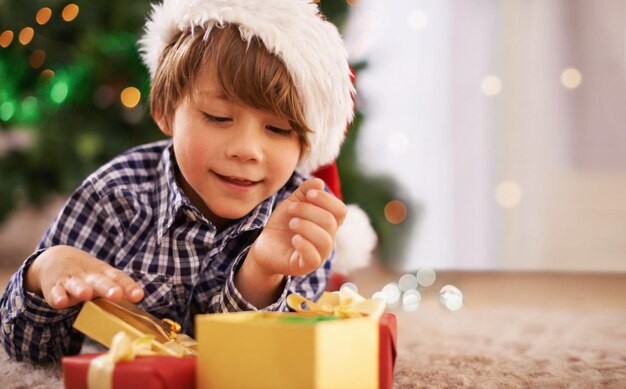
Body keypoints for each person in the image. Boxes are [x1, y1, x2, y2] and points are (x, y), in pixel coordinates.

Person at [0, 0, 357, 363]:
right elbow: (31, 351)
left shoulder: (301, 219)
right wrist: (44, 271)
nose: (247, 150)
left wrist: (262, 273)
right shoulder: (113, 196)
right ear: (165, 112)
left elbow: (268, 366)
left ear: (304, 145)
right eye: (218, 117)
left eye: (278, 129)